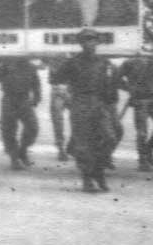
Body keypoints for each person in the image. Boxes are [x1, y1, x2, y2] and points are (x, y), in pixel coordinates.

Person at [51, 28, 120, 193]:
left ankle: (98, 169)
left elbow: (110, 86)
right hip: (80, 104)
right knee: (84, 144)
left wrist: (111, 92)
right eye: (86, 40)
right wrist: (57, 65)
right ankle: (87, 179)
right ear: (81, 44)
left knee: (110, 137)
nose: (90, 43)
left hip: (99, 104)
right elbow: (55, 79)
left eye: (93, 40)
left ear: (97, 42)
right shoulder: (72, 62)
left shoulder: (103, 63)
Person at [117, 52, 153, 172]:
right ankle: (142, 160)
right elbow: (116, 78)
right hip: (139, 100)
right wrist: (128, 88)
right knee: (142, 132)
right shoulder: (129, 62)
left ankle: (149, 148)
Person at [0, 57, 41, 170]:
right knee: (8, 129)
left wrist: (36, 98)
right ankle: (14, 158)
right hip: (9, 98)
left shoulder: (31, 67)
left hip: (24, 99)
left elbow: (36, 84)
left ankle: (23, 151)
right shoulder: (6, 64)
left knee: (33, 127)